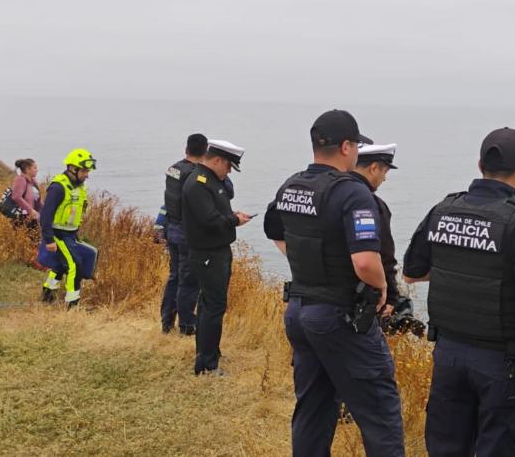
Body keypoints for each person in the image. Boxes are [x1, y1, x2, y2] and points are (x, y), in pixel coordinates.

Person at [263, 109, 405, 456]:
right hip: (340, 315)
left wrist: (306, 262)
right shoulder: (354, 194)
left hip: (299, 310)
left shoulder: (292, 185)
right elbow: (364, 261)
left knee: (313, 407)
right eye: (355, 144)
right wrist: (382, 286)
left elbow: (274, 230)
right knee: (380, 409)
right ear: (346, 147)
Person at [403, 127, 515, 457]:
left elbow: (412, 273)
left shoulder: (444, 209)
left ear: (480, 164)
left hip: (449, 354)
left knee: (447, 448)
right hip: (503, 362)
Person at [181, 139, 252, 375]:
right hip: (208, 253)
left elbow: (213, 211)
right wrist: (235, 221)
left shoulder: (211, 180)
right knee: (214, 306)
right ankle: (208, 365)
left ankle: (208, 351)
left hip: (216, 250)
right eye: (229, 166)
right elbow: (209, 221)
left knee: (208, 303)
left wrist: (231, 213)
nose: (229, 171)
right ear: (217, 160)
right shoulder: (199, 183)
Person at [348, 143, 423, 336]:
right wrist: (390, 297)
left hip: (316, 300)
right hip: (359, 303)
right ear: (373, 168)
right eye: (384, 171)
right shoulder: (371, 204)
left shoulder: (331, 192)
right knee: (378, 365)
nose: (384, 179)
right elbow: (383, 256)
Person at [159, 133, 208, 335]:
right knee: (189, 281)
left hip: (172, 229)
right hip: (187, 233)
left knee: (175, 277)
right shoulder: (196, 174)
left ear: (186, 148)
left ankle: (166, 322)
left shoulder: (174, 168)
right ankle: (187, 325)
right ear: (205, 151)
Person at [39, 149, 97, 308]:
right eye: (84, 171)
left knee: (60, 264)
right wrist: (49, 239)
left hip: (70, 234)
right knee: (75, 265)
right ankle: (72, 304)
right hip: (57, 234)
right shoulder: (58, 187)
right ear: (72, 168)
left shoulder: (79, 187)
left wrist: (75, 233)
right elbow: (45, 215)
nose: (87, 175)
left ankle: (48, 293)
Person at [5, 158, 42, 227]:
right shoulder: (20, 179)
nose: (37, 170)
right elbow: (16, 197)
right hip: (21, 217)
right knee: (36, 237)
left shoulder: (33, 181)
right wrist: (30, 210)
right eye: (35, 168)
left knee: (38, 237)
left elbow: (37, 200)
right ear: (28, 170)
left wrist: (46, 210)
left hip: (32, 217)